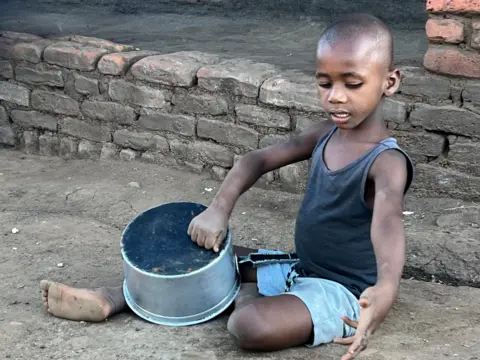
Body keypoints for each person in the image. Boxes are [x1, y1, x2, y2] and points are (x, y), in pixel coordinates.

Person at [40, 12, 414, 359]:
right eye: (324, 83)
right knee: (195, 249)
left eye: (352, 84)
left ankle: (246, 298)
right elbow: (257, 160)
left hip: (343, 292)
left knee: (249, 327)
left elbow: (388, 219)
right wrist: (218, 209)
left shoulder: (386, 162)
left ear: (389, 82)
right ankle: (111, 298)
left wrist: (385, 290)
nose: (335, 96)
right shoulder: (324, 134)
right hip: (299, 267)